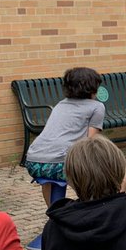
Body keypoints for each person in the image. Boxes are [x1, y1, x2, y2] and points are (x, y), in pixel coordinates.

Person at [24, 66, 104, 204]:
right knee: (89, 179)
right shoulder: (97, 106)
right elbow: (90, 142)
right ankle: (90, 209)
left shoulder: (60, 105)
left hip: (33, 161)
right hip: (60, 165)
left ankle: (54, 213)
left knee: (53, 181)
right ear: (92, 87)